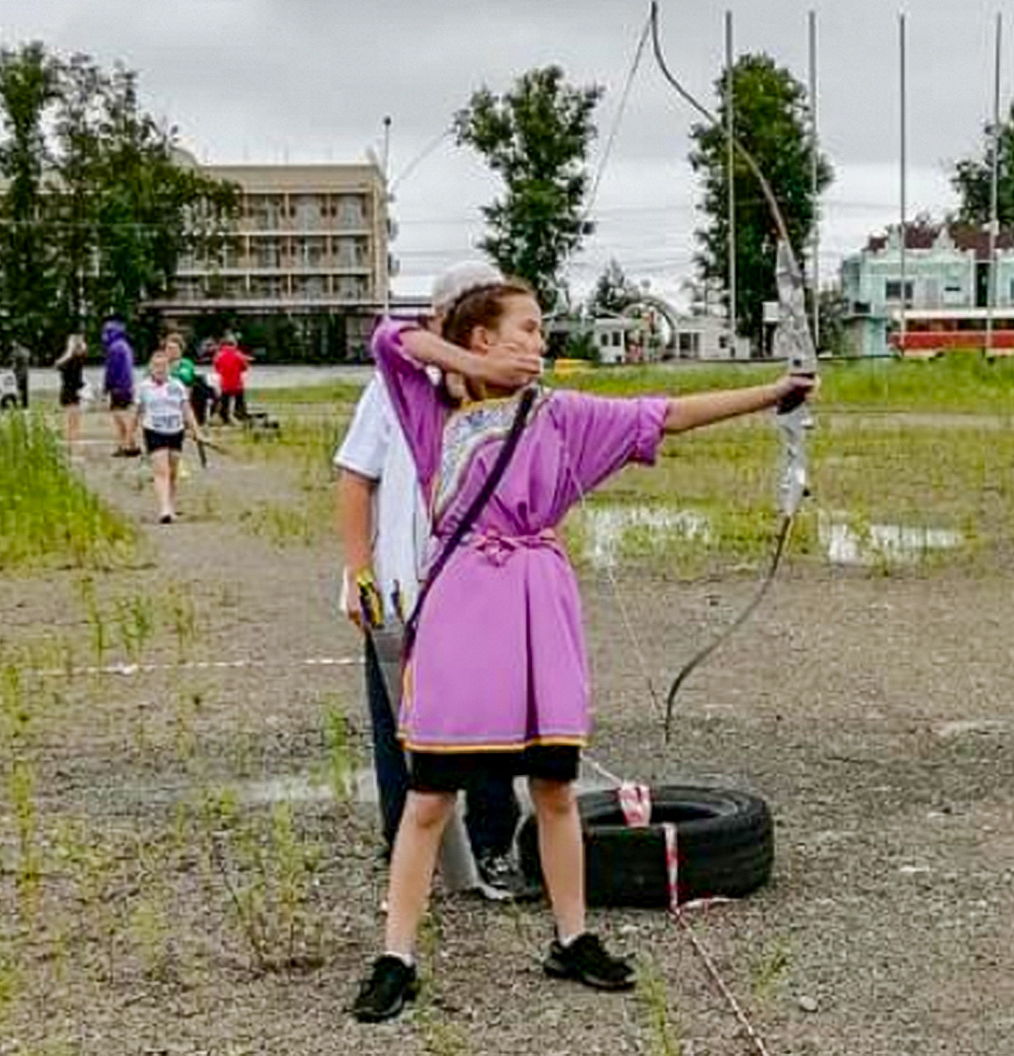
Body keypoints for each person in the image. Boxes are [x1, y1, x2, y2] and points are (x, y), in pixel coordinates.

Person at [348, 274, 816, 1022]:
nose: (540, 340)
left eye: (539, 330)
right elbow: (387, 337)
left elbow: (662, 416)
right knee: (432, 794)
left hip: (540, 606)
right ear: (481, 338)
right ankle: (395, 955)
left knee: (556, 789)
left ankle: (572, 938)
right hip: (465, 609)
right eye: (527, 329)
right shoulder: (432, 412)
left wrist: (769, 394)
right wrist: (481, 374)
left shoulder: (559, 413)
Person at [336, 262, 546, 903]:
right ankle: (408, 852)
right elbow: (355, 476)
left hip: (482, 592)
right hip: (401, 589)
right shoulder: (395, 386)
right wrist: (359, 572)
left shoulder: (511, 399)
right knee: (398, 722)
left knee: (487, 721)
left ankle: (492, 844)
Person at [134, 349, 200, 523]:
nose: (160, 369)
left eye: (163, 366)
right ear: (150, 368)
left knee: (172, 472)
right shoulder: (143, 387)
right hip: (154, 430)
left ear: (169, 367)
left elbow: (186, 410)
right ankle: (164, 509)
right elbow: (138, 412)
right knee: (161, 471)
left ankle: (171, 505)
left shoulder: (177, 385)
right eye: (156, 366)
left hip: (176, 431)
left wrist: (196, 431)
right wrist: (130, 435)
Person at [102, 318, 138, 456]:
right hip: (127, 386)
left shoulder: (114, 348)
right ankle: (128, 443)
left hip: (118, 387)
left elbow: (111, 370)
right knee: (123, 415)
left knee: (119, 416)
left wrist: (106, 387)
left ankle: (127, 445)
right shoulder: (125, 346)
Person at [54, 334, 85, 452]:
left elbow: (57, 364)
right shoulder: (75, 358)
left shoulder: (70, 359)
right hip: (71, 391)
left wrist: (70, 348)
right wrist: (72, 347)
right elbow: (58, 365)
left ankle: (72, 445)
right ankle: (72, 445)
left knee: (72, 420)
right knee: (73, 421)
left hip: (69, 391)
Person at [212, 334, 251, 425]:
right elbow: (245, 367)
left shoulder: (219, 355)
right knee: (239, 401)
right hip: (237, 383)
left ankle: (224, 417)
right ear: (234, 344)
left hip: (225, 383)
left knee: (225, 401)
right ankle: (240, 415)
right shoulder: (238, 354)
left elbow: (216, 367)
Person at [9, 341, 31, 410]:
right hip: (25, 372)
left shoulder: (15, 352)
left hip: (18, 372)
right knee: (25, 389)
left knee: (16, 388)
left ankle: (15, 403)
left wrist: (12, 370)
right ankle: (25, 404)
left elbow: (14, 363)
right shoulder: (26, 351)